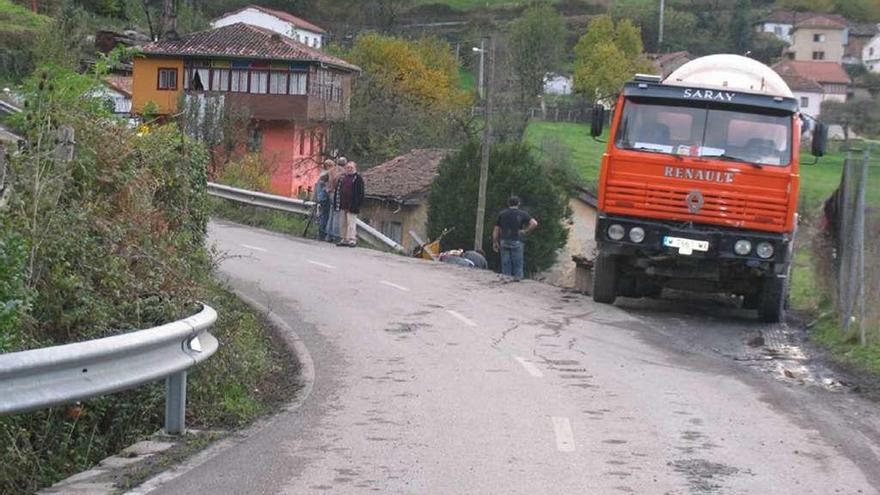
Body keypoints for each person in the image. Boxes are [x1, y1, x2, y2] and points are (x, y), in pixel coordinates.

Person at [492, 196, 538, 279]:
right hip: (517, 240)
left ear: (508, 204)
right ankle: (517, 281)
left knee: (506, 263)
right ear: (518, 204)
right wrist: (525, 231)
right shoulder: (522, 214)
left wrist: (495, 242)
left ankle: (507, 279)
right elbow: (534, 223)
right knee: (518, 263)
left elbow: (496, 229)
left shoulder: (502, 214)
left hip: (504, 240)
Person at [336, 161, 365, 247]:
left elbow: (361, 193)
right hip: (343, 203)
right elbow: (338, 190)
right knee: (343, 222)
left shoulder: (358, 178)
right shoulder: (343, 177)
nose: (349, 169)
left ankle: (352, 239)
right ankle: (344, 239)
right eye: (348, 167)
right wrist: (336, 202)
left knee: (351, 223)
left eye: (351, 168)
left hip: (352, 205)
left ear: (355, 168)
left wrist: (357, 204)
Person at [326, 157, 347, 243]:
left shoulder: (331, 170)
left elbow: (324, 179)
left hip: (330, 192)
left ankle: (328, 234)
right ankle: (335, 235)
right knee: (337, 214)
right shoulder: (343, 172)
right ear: (345, 164)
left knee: (331, 214)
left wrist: (327, 188)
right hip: (337, 193)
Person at [315, 159, 334, 241]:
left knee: (323, 215)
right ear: (329, 166)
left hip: (320, 197)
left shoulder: (322, 174)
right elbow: (326, 187)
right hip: (325, 198)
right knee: (325, 216)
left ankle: (321, 233)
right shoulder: (326, 175)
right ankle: (322, 234)